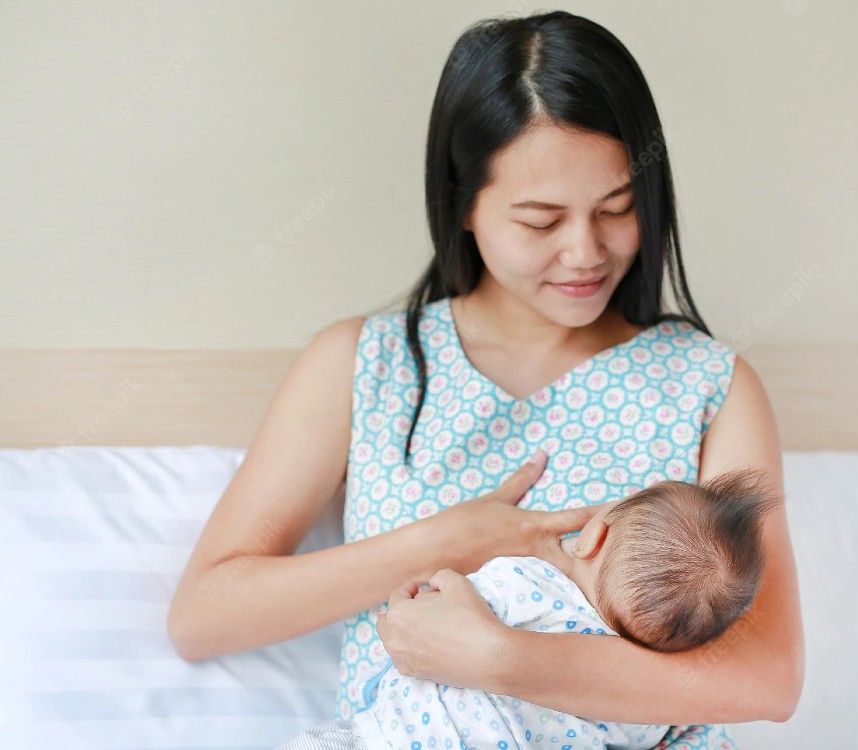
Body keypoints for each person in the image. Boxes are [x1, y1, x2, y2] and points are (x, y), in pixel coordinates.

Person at [167, 9, 804, 748]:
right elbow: (204, 616)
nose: (585, 251)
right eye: (540, 221)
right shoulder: (364, 365)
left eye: (618, 208)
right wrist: (442, 542)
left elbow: (768, 678)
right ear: (463, 202)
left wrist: (501, 659)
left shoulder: (708, 385)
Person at [273, 470, 784, 749]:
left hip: (391, 739)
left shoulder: (524, 581)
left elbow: (435, 613)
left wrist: (427, 587)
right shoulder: (648, 713)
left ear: (594, 535)